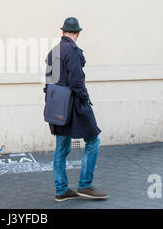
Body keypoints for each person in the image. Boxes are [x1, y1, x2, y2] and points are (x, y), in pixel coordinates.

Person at [45, 17, 109, 202]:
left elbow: (48, 81)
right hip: (75, 106)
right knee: (93, 140)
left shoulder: (53, 51)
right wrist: (85, 99)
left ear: (63, 31)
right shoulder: (72, 51)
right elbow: (76, 81)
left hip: (57, 105)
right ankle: (86, 185)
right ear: (78, 33)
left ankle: (61, 190)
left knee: (61, 148)